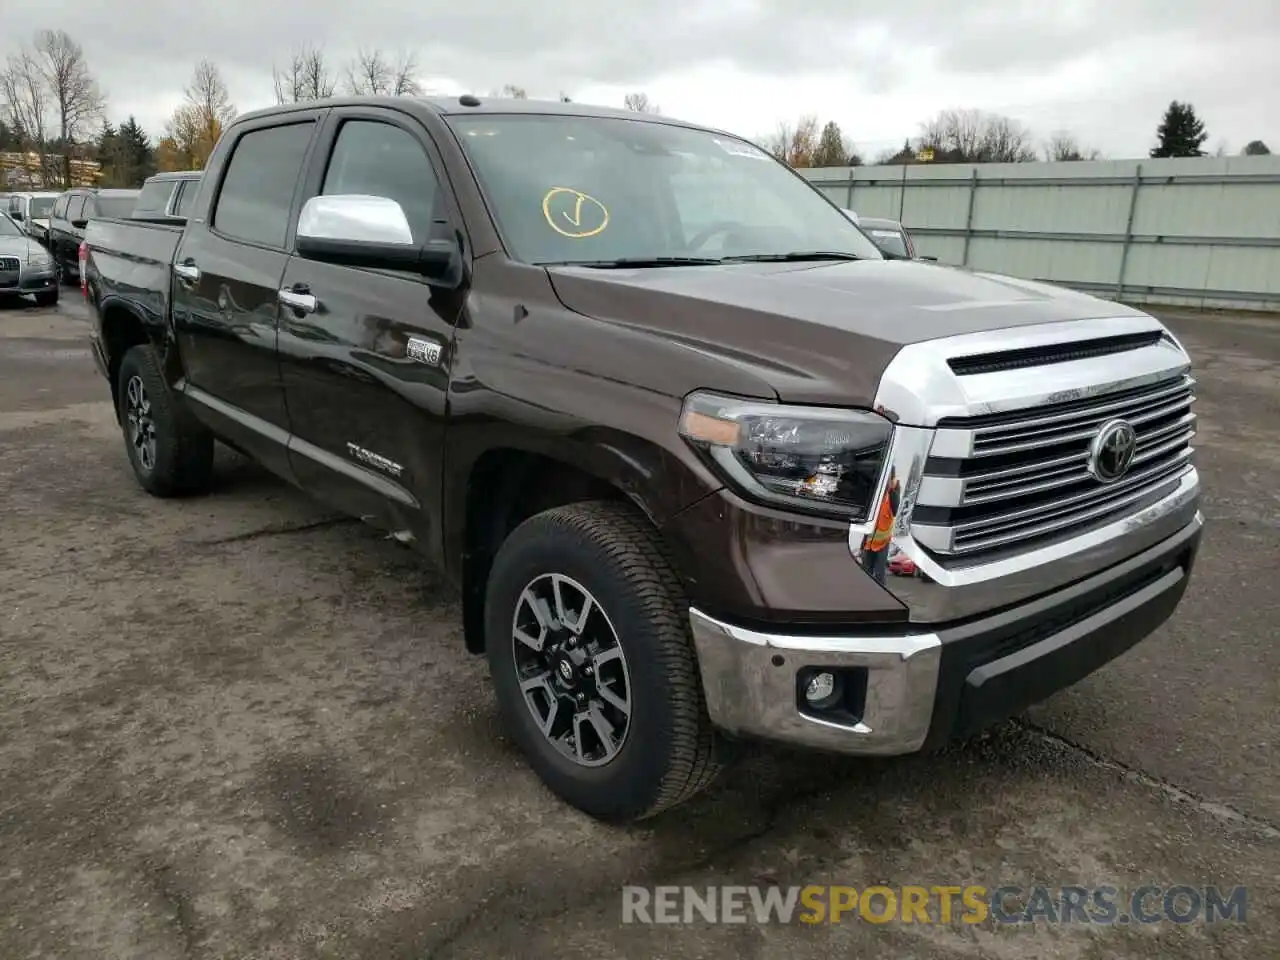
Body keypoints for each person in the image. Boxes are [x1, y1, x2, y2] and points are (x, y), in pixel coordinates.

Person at [860, 467, 900, 586]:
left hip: (883, 543)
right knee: (865, 572)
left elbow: (896, 508)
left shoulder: (891, 496)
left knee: (879, 574)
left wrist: (893, 486)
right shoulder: (874, 497)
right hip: (869, 543)